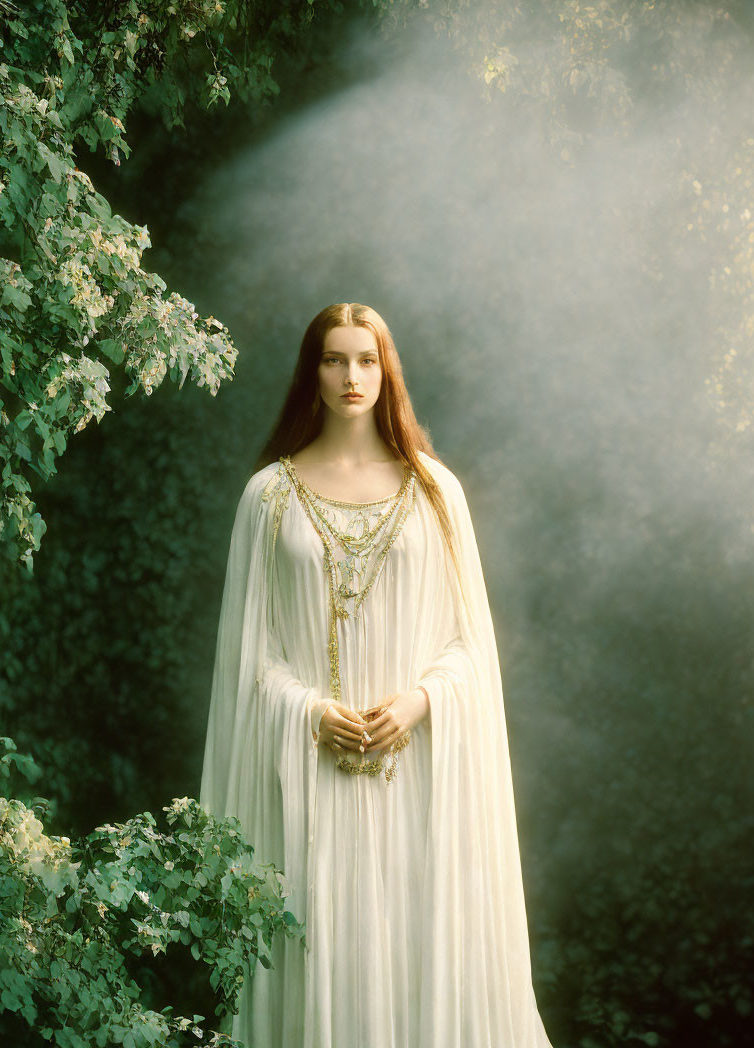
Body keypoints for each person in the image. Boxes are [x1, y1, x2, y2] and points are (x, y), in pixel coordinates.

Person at [199, 302, 555, 1048]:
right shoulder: (269, 497)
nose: (351, 375)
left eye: (366, 359)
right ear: (313, 371)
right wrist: (308, 711)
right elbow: (248, 657)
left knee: (413, 944)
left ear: (385, 370)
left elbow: (469, 646)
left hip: (417, 778)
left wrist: (422, 701)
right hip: (309, 779)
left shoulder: (434, 492)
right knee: (321, 941)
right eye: (334, 359)